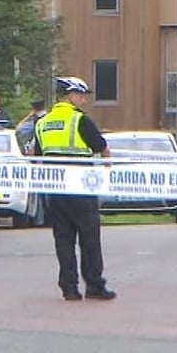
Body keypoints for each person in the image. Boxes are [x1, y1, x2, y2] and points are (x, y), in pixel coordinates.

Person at [33, 77, 116, 301]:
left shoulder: (43, 123)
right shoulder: (80, 120)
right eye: (81, 95)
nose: (84, 100)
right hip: (81, 188)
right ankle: (94, 285)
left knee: (63, 239)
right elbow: (102, 148)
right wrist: (108, 168)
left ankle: (69, 287)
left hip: (56, 189)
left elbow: (37, 157)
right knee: (89, 238)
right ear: (70, 95)